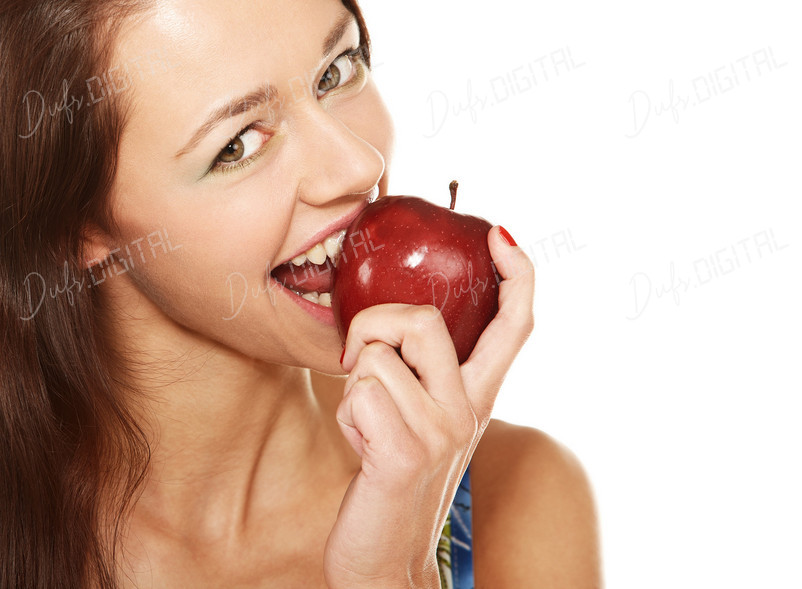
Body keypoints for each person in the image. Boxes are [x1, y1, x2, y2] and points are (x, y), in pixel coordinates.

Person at [0, 0, 601, 587]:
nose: (358, 165)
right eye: (236, 146)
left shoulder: (516, 499)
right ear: (75, 223)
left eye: (334, 71)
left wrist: (390, 575)